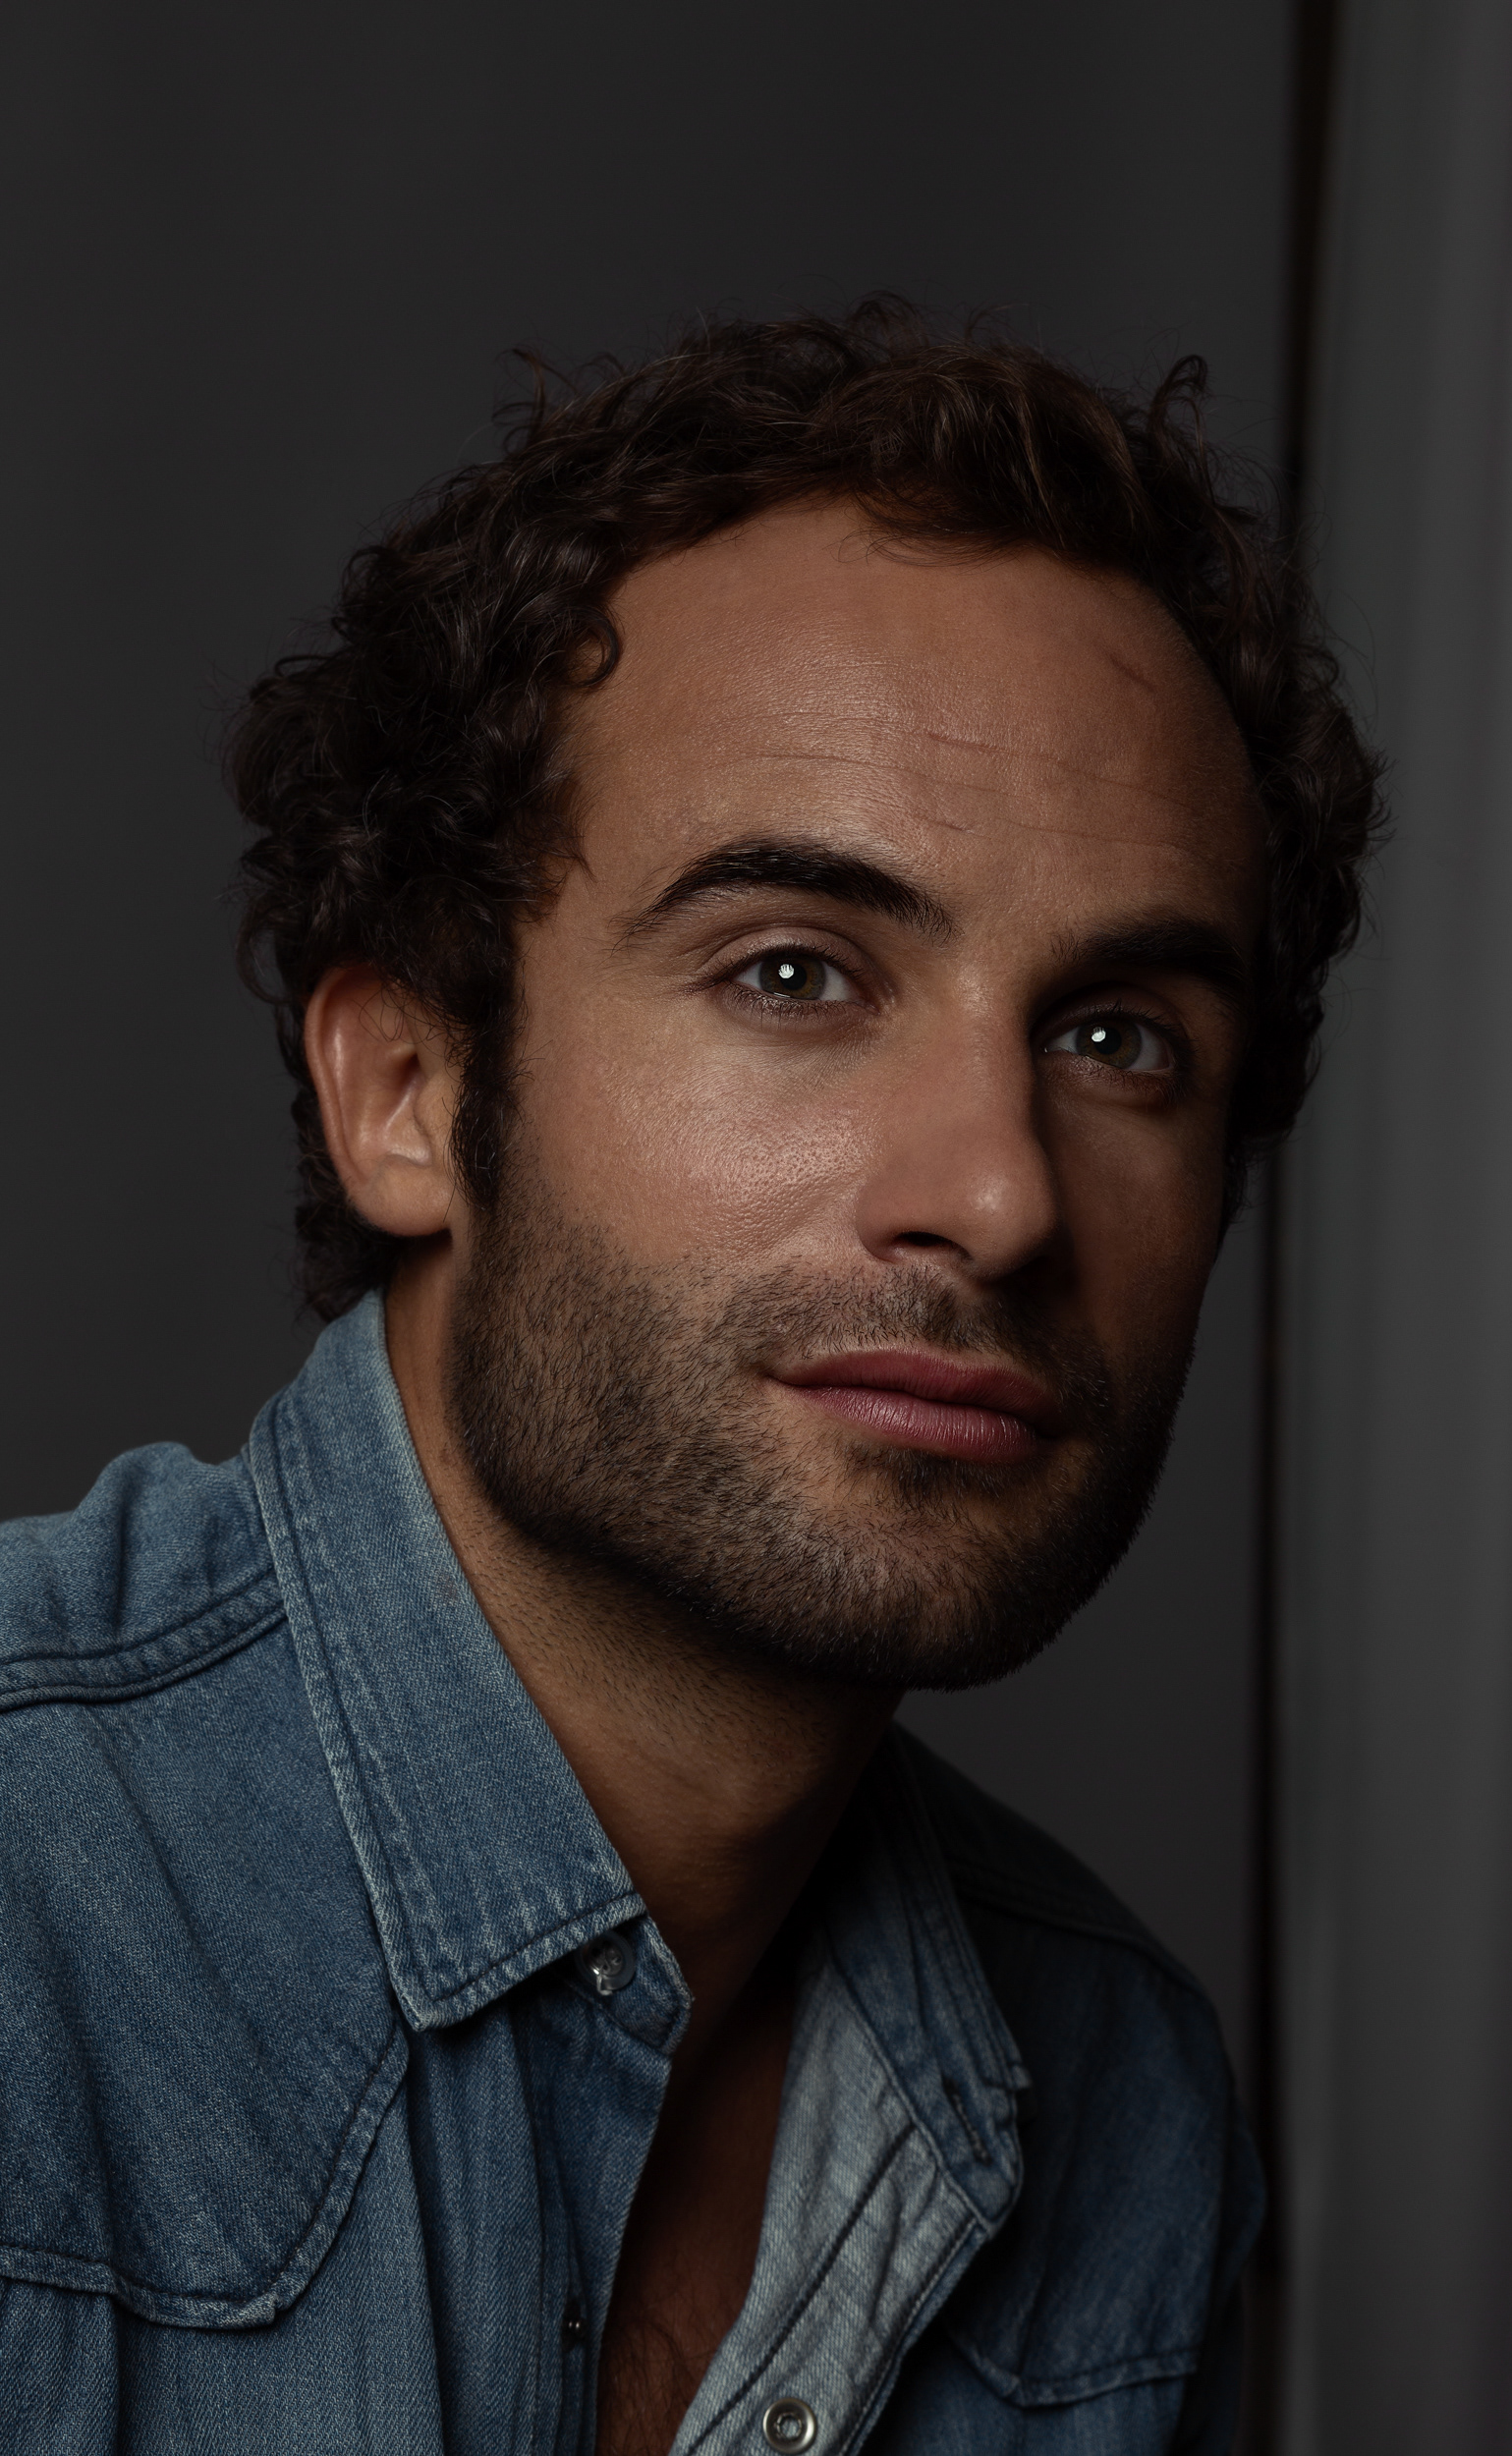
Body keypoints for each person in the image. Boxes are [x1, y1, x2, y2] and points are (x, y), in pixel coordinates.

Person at [0, 304, 1379, 2455]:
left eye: (1120, 1036)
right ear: (408, 1089)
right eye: (797, 971)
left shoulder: (1127, 2111)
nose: (1002, 1191)